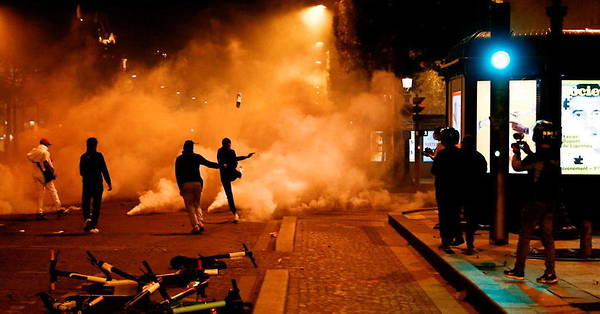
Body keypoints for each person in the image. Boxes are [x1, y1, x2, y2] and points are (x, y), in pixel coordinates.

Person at [504, 120, 560, 284]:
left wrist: (517, 152)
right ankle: (550, 273)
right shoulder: (555, 156)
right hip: (551, 202)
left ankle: (519, 269)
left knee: (525, 235)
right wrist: (528, 151)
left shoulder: (536, 158)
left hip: (535, 201)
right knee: (548, 238)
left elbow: (517, 166)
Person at [175, 140, 220, 234]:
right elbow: (209, 164)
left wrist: (180, 188)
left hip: (186, 184)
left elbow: (178, 175)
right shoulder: (196, 157)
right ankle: (200, 222)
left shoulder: (179, 159)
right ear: (192, 148)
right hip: (197, 183)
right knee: (197, 204)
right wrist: (221, 166)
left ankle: (195, 226)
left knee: (190, 206)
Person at [431, 127, 464, 253]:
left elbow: (434, 170)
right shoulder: (461, 153)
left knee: (444, 216)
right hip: (457, 189)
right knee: (455, 214)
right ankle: (458, 236)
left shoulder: (442, 155)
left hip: (443, 189)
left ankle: (446, 242)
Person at [27, 138, 67, 220]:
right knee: (53, 191)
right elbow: (46, 163)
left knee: (40, 194)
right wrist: (53, 173)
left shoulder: (34, 151)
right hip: (44, 175)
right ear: (46, 145)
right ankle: (59, 209)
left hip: (35, 174)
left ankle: (39, 212)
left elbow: (32, 158)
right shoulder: (45, 152)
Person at [460, 135, 487, 255]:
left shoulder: (458, 156)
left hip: (461, 190)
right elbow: (483, 172)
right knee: (472, 218)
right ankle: (469, 242)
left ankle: (459, 239)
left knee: (459, 215)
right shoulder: (478, 157)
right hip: (475, 191)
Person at [217, 138, 254, 223]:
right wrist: (223, 164)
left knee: (237, 176)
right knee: (229, 195)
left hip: (230, 172)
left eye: (228, 145)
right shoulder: (221, 151)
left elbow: (235, 159)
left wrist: (246, 156)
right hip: (225, 175)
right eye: (227, 145)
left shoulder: (231, 152)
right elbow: (219, 160)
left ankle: (240, 172)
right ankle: (235, 214)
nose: (228, 146)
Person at [79, 137, 112, 233]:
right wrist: (109, 182)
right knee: (96, 204)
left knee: (86, 202)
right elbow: (104, 170)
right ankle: (93, 224)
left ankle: (87, 219)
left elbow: (81, 172)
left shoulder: (83, 157)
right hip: (97, 183)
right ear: (96, 145)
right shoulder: (99, 156)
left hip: (86, 183)